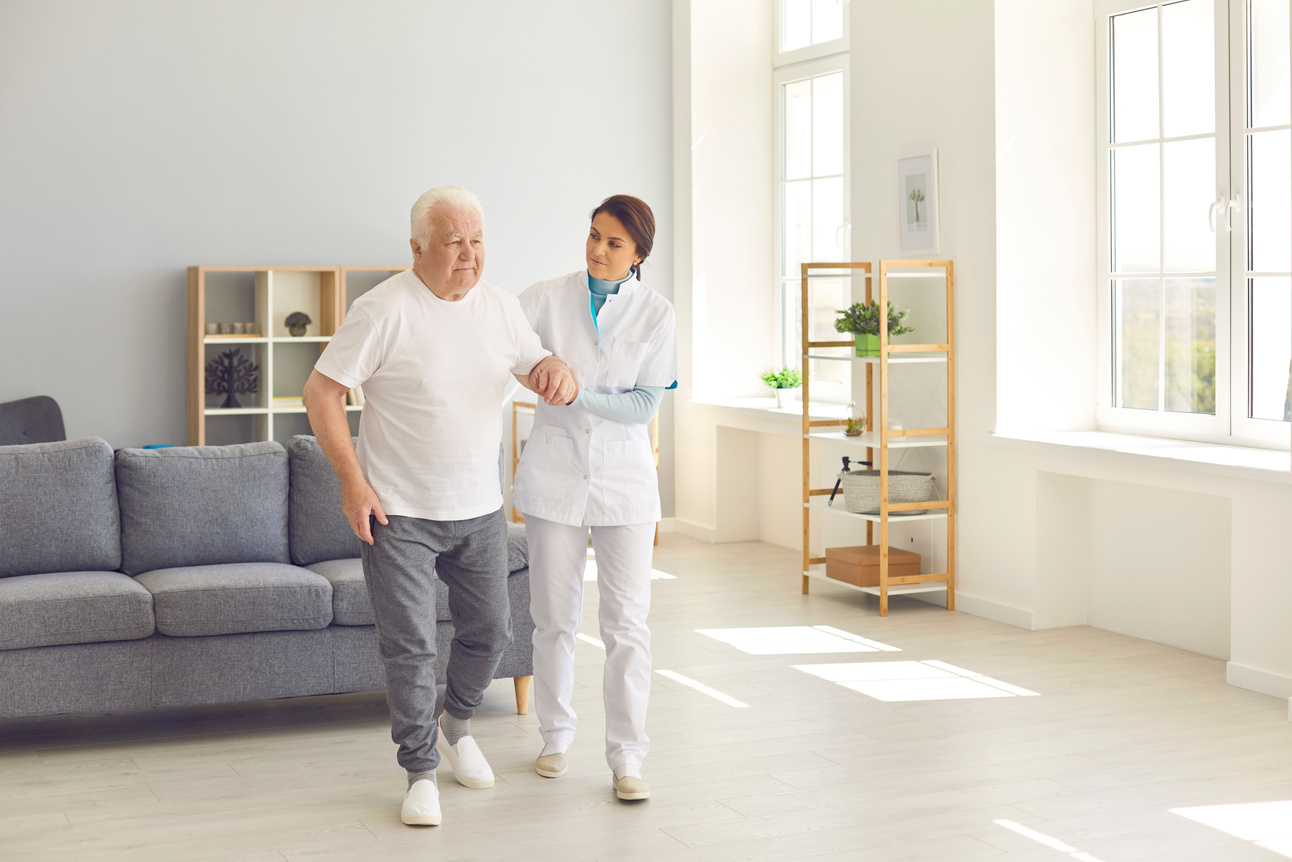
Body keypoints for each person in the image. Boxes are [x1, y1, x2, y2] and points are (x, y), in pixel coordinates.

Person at [302, 186, 577, 827]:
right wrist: (352, 483)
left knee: (494, 633)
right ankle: (419, 771)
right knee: (411, 648)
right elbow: (321, 393)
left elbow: (533, 361)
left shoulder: (502, 309)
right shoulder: (383, 310)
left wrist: (554, 369)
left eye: (477, 240)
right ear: (418, 247)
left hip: (479, 508)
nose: (468, 254)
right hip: (397, 512)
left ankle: (456, 724)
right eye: (454, 241)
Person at [512, 194, 677, 801]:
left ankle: (627, 757)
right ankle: (555, 737)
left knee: (626, 625)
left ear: (638, 255)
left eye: (614, 243)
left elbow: (643, 405)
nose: (598, 250)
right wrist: (539, 370)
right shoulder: (545, 297)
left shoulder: (657, 314)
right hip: (555, 479)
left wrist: (572, 391)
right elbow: (504, 346)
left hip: (625, 485)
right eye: (593, 236)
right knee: (553, 620)